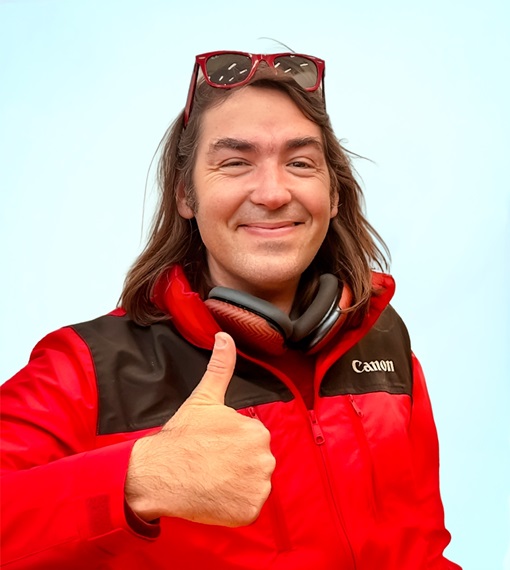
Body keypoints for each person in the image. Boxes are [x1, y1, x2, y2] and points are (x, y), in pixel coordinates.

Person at [0, 51, 461, 569]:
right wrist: (136, 481)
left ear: (333, 194)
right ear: (186, 195)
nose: (273, 193)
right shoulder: (87, 368)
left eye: (300, 163)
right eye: (236, 162)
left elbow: (423, 549)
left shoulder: (381, 336)